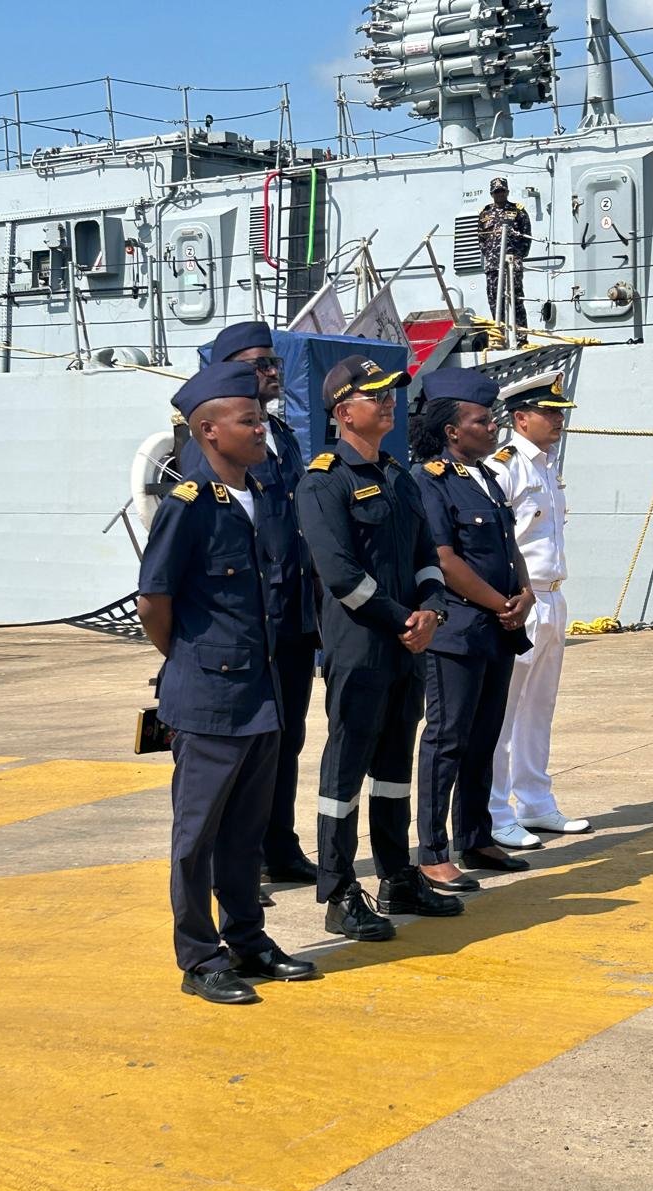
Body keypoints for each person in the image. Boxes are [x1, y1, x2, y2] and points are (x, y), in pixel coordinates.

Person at [138, 361, 317, 1006]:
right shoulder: (188, 505)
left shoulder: (265, 496)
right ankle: (200, 957)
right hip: (209, 695)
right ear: (208, 431)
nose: (261, 429)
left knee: (246, 832)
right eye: (248, 421)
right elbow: (154, 599)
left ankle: (248, 938)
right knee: (198, 838)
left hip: (263, 693)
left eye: (262, 418)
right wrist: (188, 660)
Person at [296, 356, 464, 940]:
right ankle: (340, 890)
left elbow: (426, 554)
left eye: (392, 394)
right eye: (376, 396)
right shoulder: (323, 480)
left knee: (394, 767)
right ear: (344, 412)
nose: (389, 402)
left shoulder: (397, 475)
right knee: (345, 770)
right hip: (361, 645)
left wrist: (432, 611)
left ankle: (396, 875)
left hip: (406, 644)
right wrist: (404, 619)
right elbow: (339, 574)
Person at [178, 320, 319, 889]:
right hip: (241, 626)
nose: (272, 373)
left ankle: (277, 845)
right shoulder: (203, 453)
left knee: (284, 738)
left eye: (273, 363)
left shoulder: (280, 433)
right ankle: (232, 863)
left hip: (289, 617)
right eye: (260, 364)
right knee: (235, 748)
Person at [410, 368, 536, 891]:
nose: (494, 429)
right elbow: (443, 558)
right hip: (457, 630)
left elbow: (508, 549)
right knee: (447, 738)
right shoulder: (429, 480)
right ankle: (433, 851)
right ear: (451, 430)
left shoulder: (484, 478)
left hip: (496, 628)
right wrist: (500, 603)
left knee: (484, 736)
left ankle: (476, 834)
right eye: (483, 421)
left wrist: (524, 594)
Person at [488, 371, 594, 850]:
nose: (557, 421)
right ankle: (495, 809)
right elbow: (497, 539)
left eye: (559, 413)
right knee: (504, 709)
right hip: (521, 599)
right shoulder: (505, 466)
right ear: (521, 417)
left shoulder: (548, 466)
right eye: (549, 413)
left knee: (539, 706)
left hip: (553, 596)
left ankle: (535, 801)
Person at [477, 177, 532, 343]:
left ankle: (521, 337)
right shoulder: (484, 214)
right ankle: (499, 336)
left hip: (511, 263)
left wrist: (517, 256)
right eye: (496, 191)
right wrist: (490, 256)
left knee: (516, 299)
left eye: (502, 191)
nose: (499, 194)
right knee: (495, 300)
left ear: (507, 192)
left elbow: (526, 237)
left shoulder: (518, 212)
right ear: (491, 194)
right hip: (493, 265)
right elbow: (481, 240)